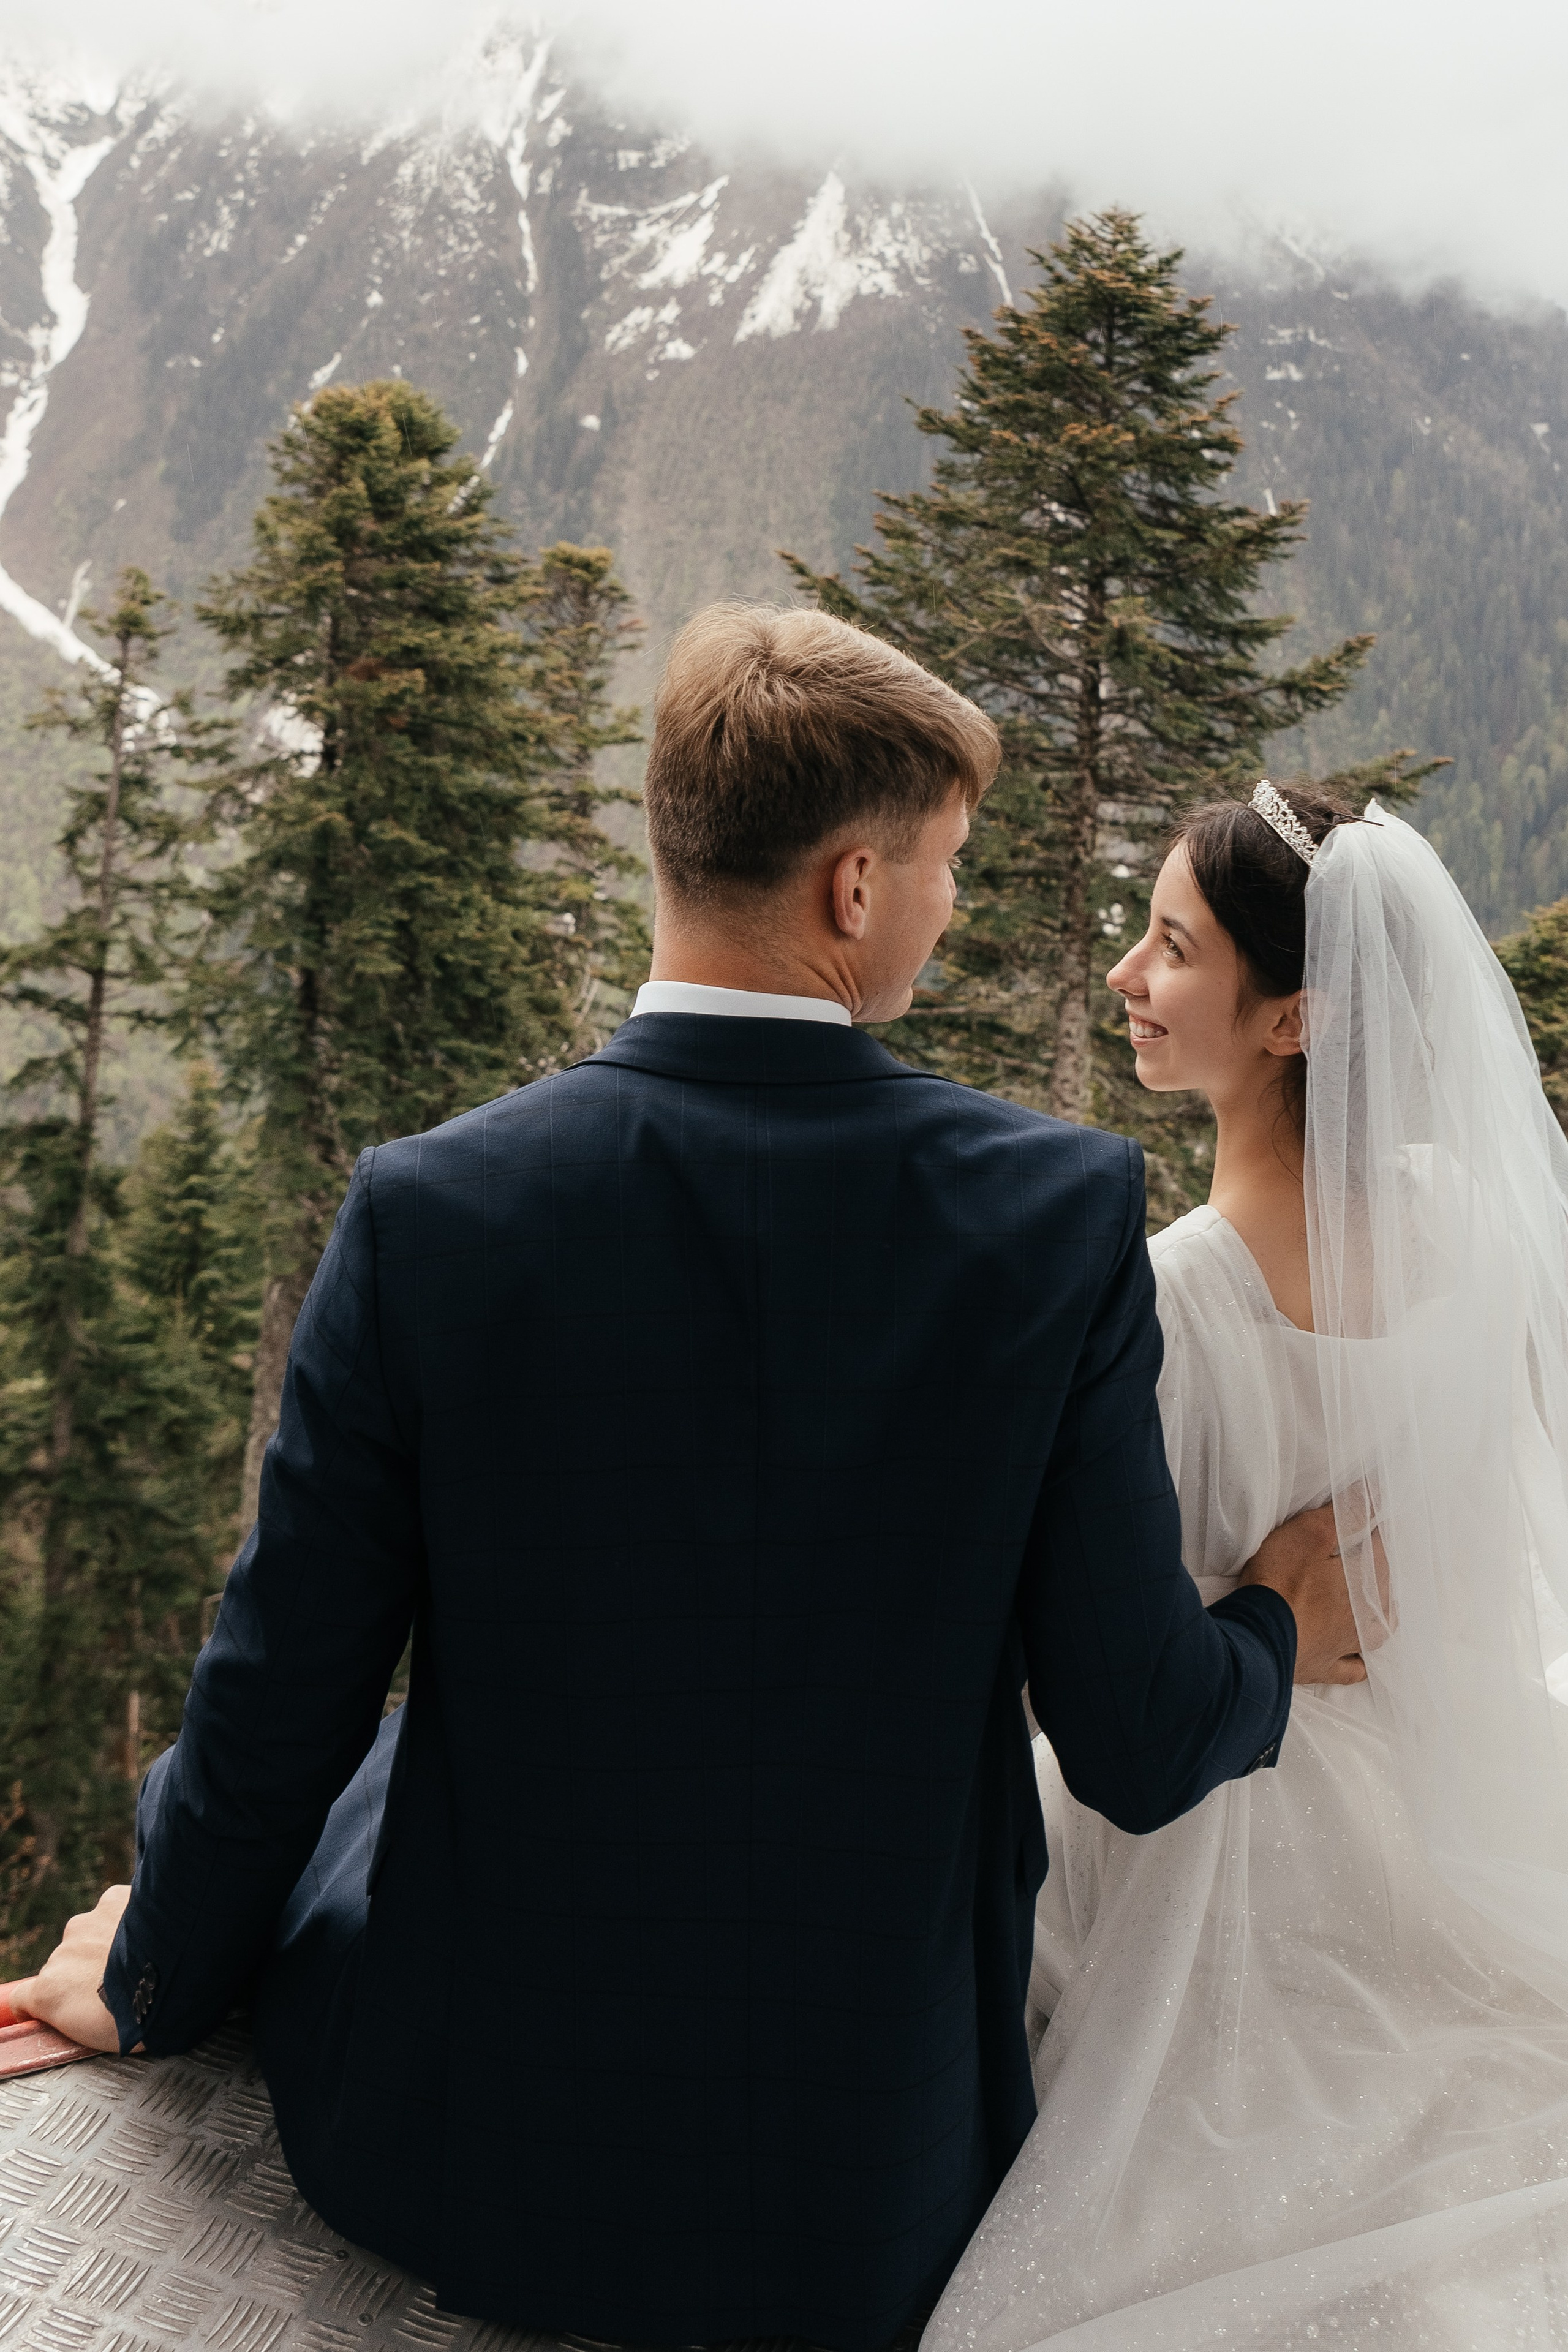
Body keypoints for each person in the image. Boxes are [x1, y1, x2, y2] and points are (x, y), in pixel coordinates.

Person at [12, 615, 1354, 2351]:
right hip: (881, 2188)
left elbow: (278, 1698)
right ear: (852, 887)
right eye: (945, 867)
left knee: (357, 1768)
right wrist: (1273, 1616)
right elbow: (1141, 1739)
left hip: (463, 2164)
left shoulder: (432, 1212)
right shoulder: (1056, 1218)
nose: (950, 907)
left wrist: (153, 1976)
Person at [926, 783, 1568, 2352]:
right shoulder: (1464, 1223)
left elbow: (1095, 1670)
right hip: (1428, 1781)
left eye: (1169, 948)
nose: (1123, 976)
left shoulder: (1175, 1300)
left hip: (1214, 1796)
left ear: (1290, 1019)